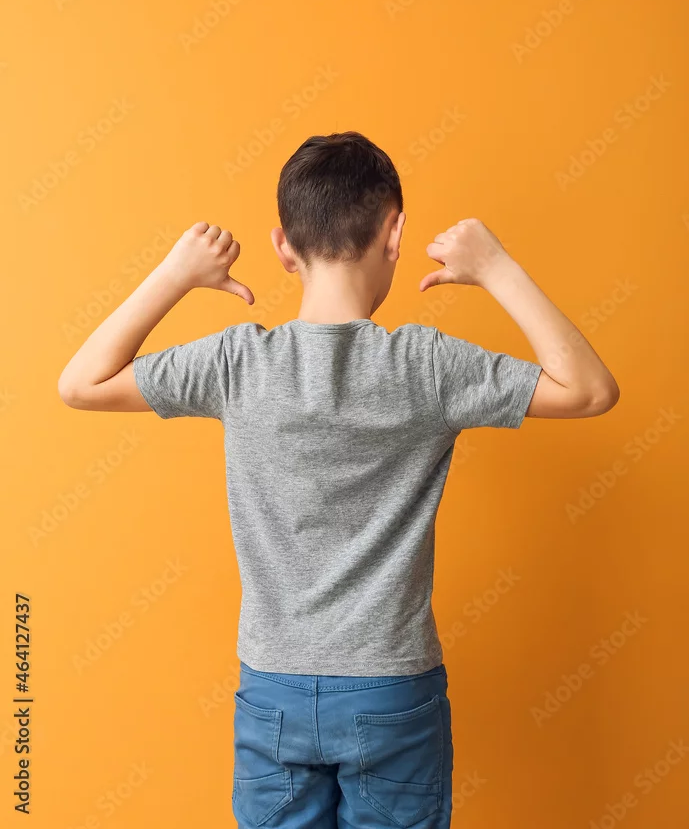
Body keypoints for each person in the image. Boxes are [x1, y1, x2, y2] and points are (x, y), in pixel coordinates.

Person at [58, 131, 619, 828]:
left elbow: (80, 384)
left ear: (283, 247)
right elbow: (590, 390)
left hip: (273, 691)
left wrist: (175, 275)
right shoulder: (427, 366)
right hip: (391, 689)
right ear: (395, 234)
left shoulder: (237, 364)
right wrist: (496, 267)